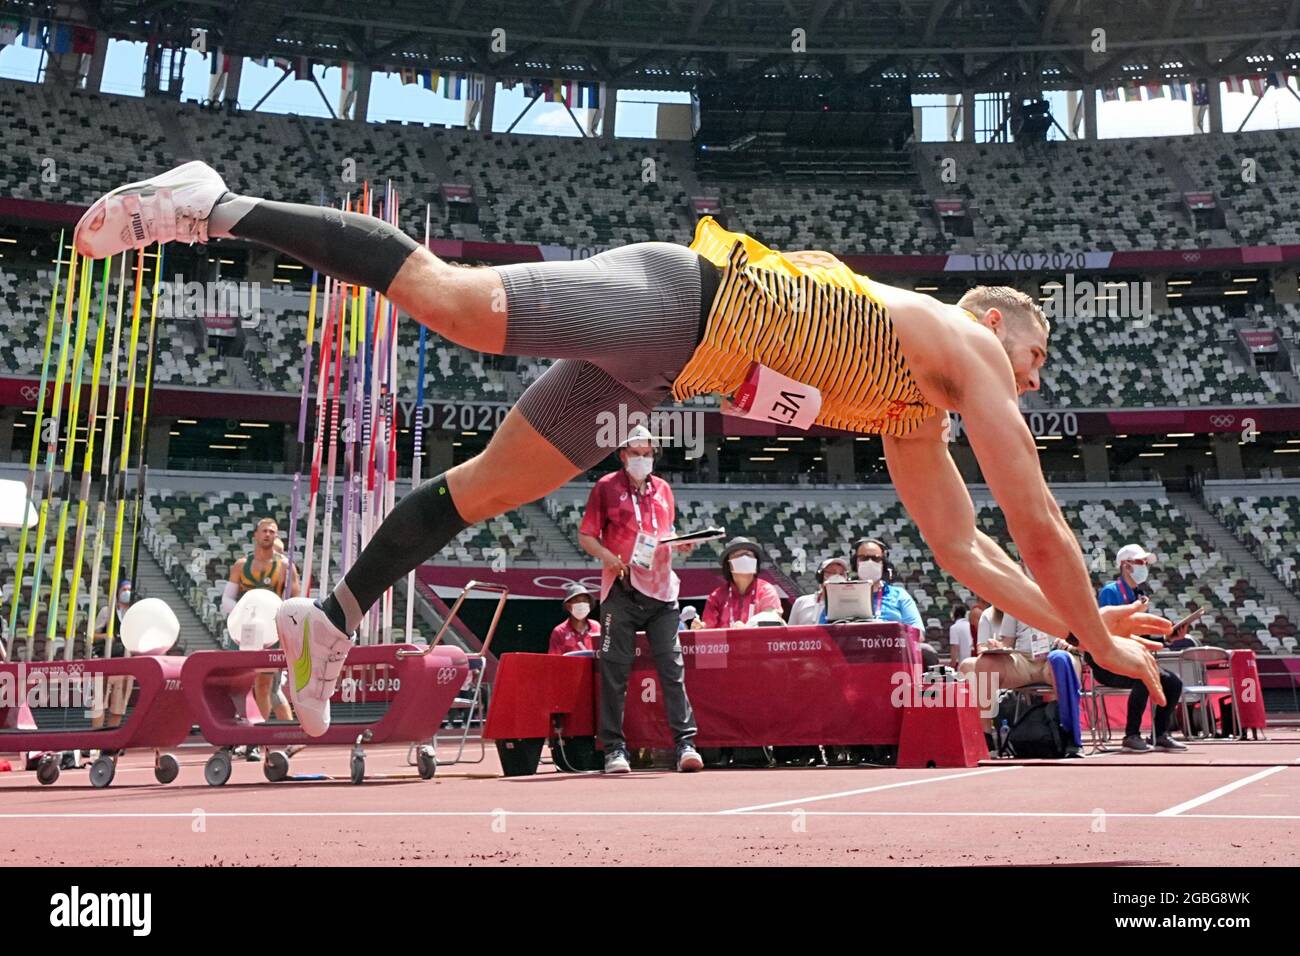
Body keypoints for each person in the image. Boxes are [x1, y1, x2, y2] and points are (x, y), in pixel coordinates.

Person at [75, 163, 1171, 736]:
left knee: (480, 491)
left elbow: (974, 553)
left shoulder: (914, 415)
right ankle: (212, 204)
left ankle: (331, 619)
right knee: (454, 303)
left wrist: (1078, 620)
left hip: (667, 371)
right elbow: (1040, 524)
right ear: (997, 322)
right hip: (680, 302)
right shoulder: (964, 346)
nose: (1035, 375)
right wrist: (1094, 635)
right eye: (1038, 350)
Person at [576, 426, 702, 774]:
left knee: (672, 669)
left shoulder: (662, 489)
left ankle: (685, 745)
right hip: (622, 590)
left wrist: (682, 543)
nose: (642, 459)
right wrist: (608, 557)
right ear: (622, 455)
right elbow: (586, 535)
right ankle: (614, 749)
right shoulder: (606, 488)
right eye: (636, 453)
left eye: (648, 453)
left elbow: (668, 530)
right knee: (615, 671)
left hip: (662, 592)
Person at [1093, 544, 1187, 753]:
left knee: (1173, 683)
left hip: (1132, 660)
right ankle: (1131, 735)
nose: (1145, 566)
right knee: (1142, 676)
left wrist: (1167, 637)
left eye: (1145, 562)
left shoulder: (1139, 594)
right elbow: (1108, 631)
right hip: (1109, 663)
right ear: (1126, 566)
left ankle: (1159, 734)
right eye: (1140, 562)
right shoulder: (1111, 592)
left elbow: (1139, 634)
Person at [972, 608, 1085, 758]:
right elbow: (1007, 642)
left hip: (1056, 654)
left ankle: (1071, 736)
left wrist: (1073, 643)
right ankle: (986, 738)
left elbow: (1086, 637)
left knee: (1060, 660)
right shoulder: (1015, 599)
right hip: (1024, 660)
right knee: (985, 663)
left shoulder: (1065, 595)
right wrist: (998, 647)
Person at [224, 517, 299, 733]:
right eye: (264, 531)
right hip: (244, 631)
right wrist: (243, 611)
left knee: (265, 685)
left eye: (272, 532)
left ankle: (258, 737)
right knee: (241, 684)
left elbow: (295, 600)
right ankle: (246, 731)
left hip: (271, 632)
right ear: (255, 535)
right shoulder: (241, 565)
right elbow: (226, 600)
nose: (268, 534)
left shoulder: (286, 566)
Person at [695, 537, 784, 629]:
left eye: (749, 555)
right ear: (729, 565)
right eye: (739, 555)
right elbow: (708, 628)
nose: (745, 558)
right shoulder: (716, 596)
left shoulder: (766, 590)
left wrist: (748, 628)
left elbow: (772, 620)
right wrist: (700, 627)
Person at [788, 557, 850, 626]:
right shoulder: (801, 602)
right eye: (832, 572)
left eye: (841, 574)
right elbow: (790, 633)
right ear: (820, 577)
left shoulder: (852, 605)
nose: (837, 577)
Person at [549, 582, 600, 655]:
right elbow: (554, 659)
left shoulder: (596, 626)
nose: (582, 604)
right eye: (577, 601)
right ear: (568, 606)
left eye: (585, 601)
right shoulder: (559, 631)